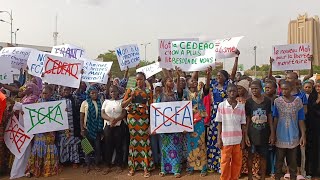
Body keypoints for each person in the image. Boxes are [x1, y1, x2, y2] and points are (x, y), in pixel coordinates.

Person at [207, 49, 240, 173]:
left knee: (225, 137)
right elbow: (207, 81)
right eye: (217, 75)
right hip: (215, 113)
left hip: (226, 113)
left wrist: (236, 58)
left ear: (225, 77)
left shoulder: (228, 85)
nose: (218, 77)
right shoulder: (214, 85)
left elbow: (233, 72)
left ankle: (225, 165)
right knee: (214, 138)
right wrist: (209, 72)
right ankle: (214, 165)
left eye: (220, 75)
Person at [122, 72, 154, 178]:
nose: (138, 81)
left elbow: (151, 108)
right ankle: (133, 167)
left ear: (144, 80)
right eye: (137, 79)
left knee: (144, 142)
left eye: (140, 79)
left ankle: (146, 168)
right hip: (132, 120)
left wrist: (151, 123)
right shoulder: (130, 90)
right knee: (134, 142)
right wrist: (130, 98)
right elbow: (122, 105)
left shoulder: (149, 91)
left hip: (144, 120)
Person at [273, 81, 306, 180]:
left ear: (291, 89)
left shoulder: (298, 101)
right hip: (280, 136)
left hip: (293, 136)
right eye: (282, 89)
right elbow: (275, 118)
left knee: (293, 163)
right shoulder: (277, 102)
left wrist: (303, 135)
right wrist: (273, 134)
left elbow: (301, 119)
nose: (284, 91)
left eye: (286, 89)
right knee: (278, 162)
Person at [25, 85, 60, 178]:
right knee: (37, 148)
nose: (43, 95)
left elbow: (58, 116)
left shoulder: (54, 103)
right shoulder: (37, 102)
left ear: (50, 93)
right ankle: (33, 170)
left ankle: (47, 169)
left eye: (46, 93)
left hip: (50, 131)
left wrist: (63, 112)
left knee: (49, 148)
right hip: (39, 131)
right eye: (42, 93)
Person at [184, 67, 211, 177]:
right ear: (188, 84)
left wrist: (208, 75)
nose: (194, 82)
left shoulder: (200, 94)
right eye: (192, 81)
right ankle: (191, 166)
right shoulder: (185, 94)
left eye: (195, 81)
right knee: (190, 145)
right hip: (189, 122)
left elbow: (207, 87)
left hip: (199, 122)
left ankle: (203, 167)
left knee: (201, 143)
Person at [245, 80, 275, 180]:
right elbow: (248, 119)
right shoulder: (248, 102)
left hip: (264, 133)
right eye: (252, 88)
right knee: (251, 155)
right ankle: (250, 176)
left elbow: (270, 117)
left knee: (263, 156)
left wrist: (272, 133)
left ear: (261, 89)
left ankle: (262, 177)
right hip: (252, 133)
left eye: (256, 88)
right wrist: (246, 135)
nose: (254, 90)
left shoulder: (267, 101)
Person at [216, 84, 246, 180]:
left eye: (234, 91)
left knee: (237, 163)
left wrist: (243, 140)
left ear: (237, 92)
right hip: (226, 140)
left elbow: (243, 125)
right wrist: (219, 139)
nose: (232, 93)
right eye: (230, 91)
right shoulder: (221, 106)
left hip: (238, 140)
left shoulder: (241, 106)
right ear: (227, 92)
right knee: (224, 162)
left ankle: (234, 178)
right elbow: (219, 123)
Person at [157, 69, 183, 178]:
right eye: (169, 81)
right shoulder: (161, 96)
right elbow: (157, 111)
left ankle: (176, 169)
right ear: (164, 84)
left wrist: (177, 75)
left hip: (175, 126)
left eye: (172, 81)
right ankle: (164, 169)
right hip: (165, 127)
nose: (171, 83)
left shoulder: (177, 95)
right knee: (165, 148)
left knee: (175, 147)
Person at [101, 85, 126, 174]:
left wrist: (116, 120)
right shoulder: (106, 102)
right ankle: (108, 165)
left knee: (118, 146)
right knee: (108, 146)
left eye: (115, 91)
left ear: (117, 92)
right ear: (109, 93)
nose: (113, 93)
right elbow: (102, 114)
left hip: (119, 126)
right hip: (108, 127)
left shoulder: (121, 101)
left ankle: (119, 165)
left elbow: (124, 113)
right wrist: (110, 119)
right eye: (111, 92)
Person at [80, 86, 104, 173]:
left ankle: (96, 164)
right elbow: (81, 117)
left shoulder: (100, 102)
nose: (94, 94)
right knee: (87, 148)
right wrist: (82, 129)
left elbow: (101, 116)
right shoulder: (85, 103)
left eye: (96, 93)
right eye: (92, 93)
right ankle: (88, 165)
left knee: (97, 147)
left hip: (97, 129)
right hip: (87, 129)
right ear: (89, 94)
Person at [58, 86, 81, 168]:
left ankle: (75, 161)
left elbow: (79, 111)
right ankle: (64, 161)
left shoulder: (75, 99)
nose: (66, 91)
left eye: (67, 89)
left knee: (74, 143)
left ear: (71, 90)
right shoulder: (58, 99)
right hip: (62, 126)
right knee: (63, 143)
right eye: (64, 90)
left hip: (73, 126)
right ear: (62, 90)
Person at [305, 80, 320, 177]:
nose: (318, 89)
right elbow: (309, 110)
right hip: (313, 129)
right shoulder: (312, 97)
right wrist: (318, 101)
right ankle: (312, 171)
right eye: (317, 87)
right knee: (313, 150)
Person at [264, 80, 278, 178]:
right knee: (266, 150)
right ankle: (266, 169)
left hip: (276, 127)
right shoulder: (263, 99)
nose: (267, 89)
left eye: (269, 87)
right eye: (266, 87)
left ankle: (273, 170)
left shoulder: (278, 100)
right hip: (264, 128)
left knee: (274, 150)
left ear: (275, 89)